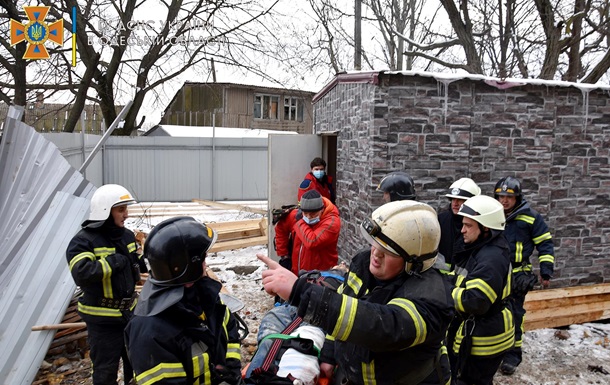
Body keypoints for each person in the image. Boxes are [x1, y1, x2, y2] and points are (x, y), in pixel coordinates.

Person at [258, 200, 455, 385]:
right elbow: (344, 306)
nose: (375, 254)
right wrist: (329, 354)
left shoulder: (432, 297)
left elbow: (380, 326)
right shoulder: (363, 265)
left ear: (413, 262)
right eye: (374, 243)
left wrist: (300, 292)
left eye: (388, 251)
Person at [125, 216, 243, 385]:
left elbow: (229, 327)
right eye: (203, 258)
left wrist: (230, 369)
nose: (206, 264)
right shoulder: (150, 332)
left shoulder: (204, 296)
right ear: (188, 267)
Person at [65, 184, 145, 385]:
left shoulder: (126, 235)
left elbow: (136, 263)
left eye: (126, 209)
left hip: (129, 315)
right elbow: (81, 273)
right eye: (121, 209)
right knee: (105, 372)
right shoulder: (83, 241)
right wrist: (112, 262)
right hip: (102, 321)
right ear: (105, 211)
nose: (126, 214)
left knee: (137, 368)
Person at [447, 195, 514, 385]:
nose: (462, 230)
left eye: (468, 225)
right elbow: (464, 278)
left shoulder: (491, 259)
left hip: (484, 341)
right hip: (482, 333)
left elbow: (476, 301)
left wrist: (444, 293)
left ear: (486, 228)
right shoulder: (482, 247)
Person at [493, 176, 555, 376]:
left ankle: (512, 356)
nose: (504, 201)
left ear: (518, 198)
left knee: (515, 316)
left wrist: (545, 271)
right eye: (500, 196)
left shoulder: (531, 217)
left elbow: (545, 243)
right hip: (494, 273)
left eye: (509, 197)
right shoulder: (491, 215)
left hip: (517, 275)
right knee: (491, 313)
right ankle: (492, 353)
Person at [275, 189, 340, 275]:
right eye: (305, 213)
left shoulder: (332, 222)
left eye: (313, 214)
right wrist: (284, 256)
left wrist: (300, 222)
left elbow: (312, 242)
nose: (308, 217)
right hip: (296, 272)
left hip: (321, 277)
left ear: (322, 209)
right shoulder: (297, 215)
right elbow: (280, 227)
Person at [437, 178, 481, 272]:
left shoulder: (479, 225)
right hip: (440, 280)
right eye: (453, 199)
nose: (455, 204)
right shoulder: (440, 220)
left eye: (460, 200)